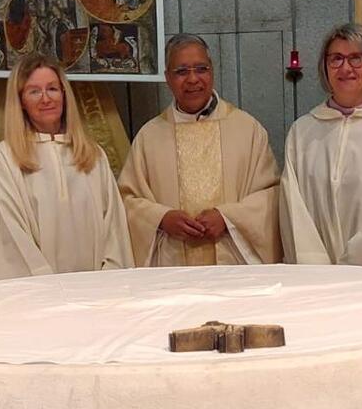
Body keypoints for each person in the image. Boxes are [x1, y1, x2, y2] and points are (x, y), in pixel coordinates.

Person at [119, 34, 281, 266]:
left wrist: (227, 218)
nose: (193, 79)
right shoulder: (150, 136)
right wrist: (161, 218)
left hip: (233, 265)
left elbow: (270, 195)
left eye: (201, 69)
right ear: (167, 78)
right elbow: (126, 200)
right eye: (182, 71)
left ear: (212, 71)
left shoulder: (247, 129)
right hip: (172, 265)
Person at [0, 51, 132, 277]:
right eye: (34, 91)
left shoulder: (92, 154)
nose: (46, 99)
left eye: (52, 89)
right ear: (21, 101)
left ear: (64, 94)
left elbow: (114, 229)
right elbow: (10, 233)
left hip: (97, 289)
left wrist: (107, 281)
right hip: (40, 291)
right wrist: (50, 289)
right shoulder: (8, 156)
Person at [279, 23, 362, 265]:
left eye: (356, 58)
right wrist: (314, 265)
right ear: (325, 66)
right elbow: (292, 207)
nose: (345, 68)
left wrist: (354, 264)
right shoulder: (302, 131)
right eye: (336, 58)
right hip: (310, 272)